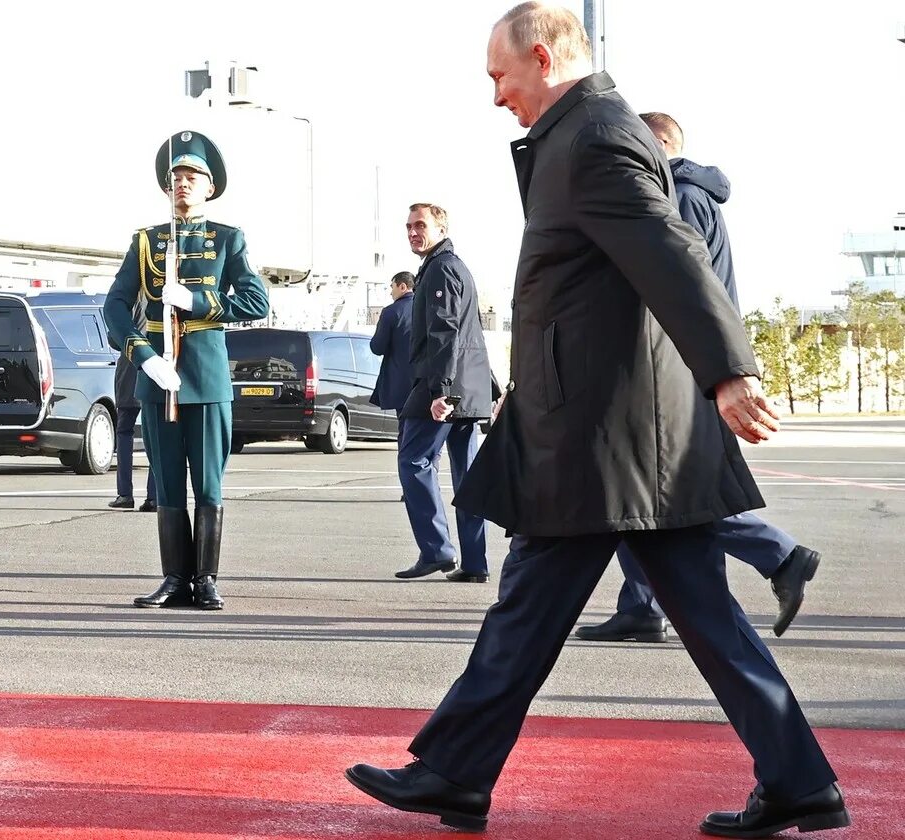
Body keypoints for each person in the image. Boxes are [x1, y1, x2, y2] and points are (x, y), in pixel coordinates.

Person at [345, 5, 848, 837]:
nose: (496, 97)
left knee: (536, 601)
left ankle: (454, 771)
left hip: (605, 438)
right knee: (659, 613)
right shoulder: (577, 136)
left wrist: (728, 370)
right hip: (607, 432)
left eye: (499, 77)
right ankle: (797, 781)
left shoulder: (596, 137)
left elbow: (667, 249)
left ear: (541, 58)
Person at [577, 112, 822, 644]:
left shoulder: (680, 196)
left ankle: (780, 555)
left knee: (664, 492)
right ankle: (641, 605)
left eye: (638, 145)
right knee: (649, 492)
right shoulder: (687, 193)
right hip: (688, 359)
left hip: (682, 362)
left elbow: (680, 285)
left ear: (659, 144)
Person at [103, 130, 270, 611]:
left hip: (207, 379)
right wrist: (145, 357)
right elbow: (115, 306)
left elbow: (257, 300)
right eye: (177, 176)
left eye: (192, 176)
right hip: (159, 381)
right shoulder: (146, 242)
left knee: (209, 485)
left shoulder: (227, 240)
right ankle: (175, 578)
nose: (183, 183)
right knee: (168, 480)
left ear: (210, 186)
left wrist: (195, 300)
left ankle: (207, 578)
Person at [391, 205, 497, 584]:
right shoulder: (453, 267)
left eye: (420, 225)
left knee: (414, 461)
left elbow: (447, 331)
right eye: (408, 227)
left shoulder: (441, 268)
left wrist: (441, 392)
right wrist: (492, 388)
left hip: (446, 389)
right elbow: (472, 335)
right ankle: (474, 562)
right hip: (467, 391)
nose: (412, 232)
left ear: (441, 227)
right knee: (467, 478)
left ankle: (437, 550)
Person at [110, 316, 158, 512]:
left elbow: (114, 338)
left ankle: (124, 494)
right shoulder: (159, 297)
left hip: (130, 370)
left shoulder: (128, 298)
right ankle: (154, 496)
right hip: (156, 370)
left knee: (124, 433)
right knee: (155, 437)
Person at [368, 271, 415, 414]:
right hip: (425, 382)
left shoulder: (391, 312)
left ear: (402, 286)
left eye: (392, 287)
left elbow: (377, 347)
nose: (390, 292)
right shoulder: (426, 308)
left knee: (404, 428)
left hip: (400, 382)